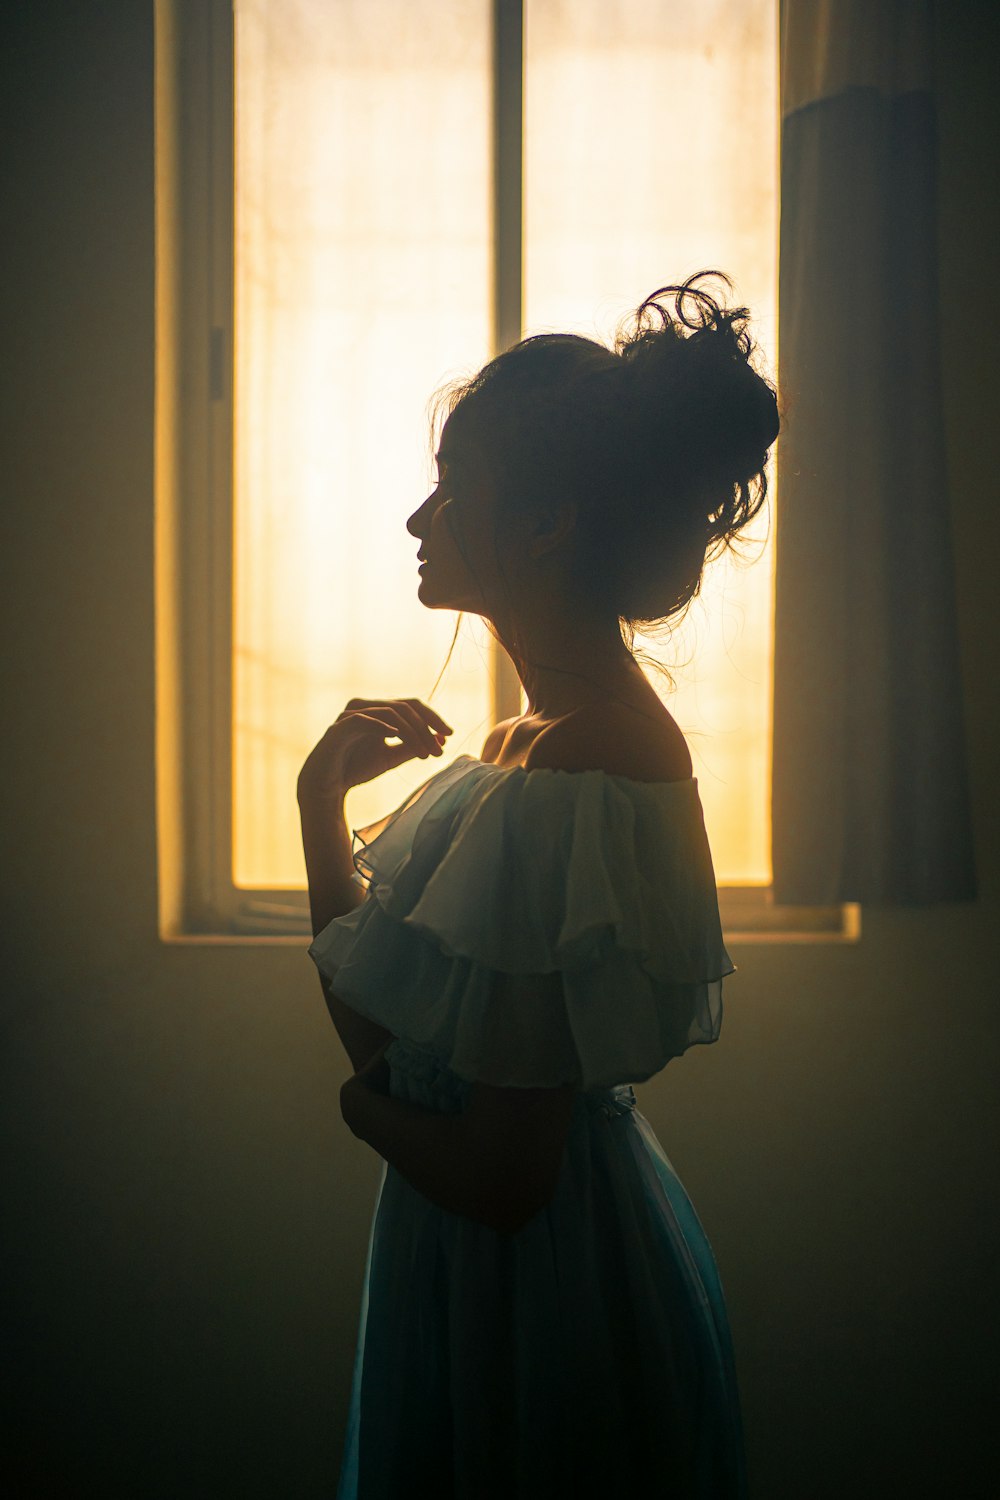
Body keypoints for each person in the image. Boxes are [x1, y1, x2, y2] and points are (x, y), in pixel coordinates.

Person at [297, 271, 780, 1499]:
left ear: (546, 524)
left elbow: (501, 1178)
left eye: (452, 491)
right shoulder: (528, 747)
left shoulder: (584, 762)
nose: (419, 518)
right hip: (486, 1268)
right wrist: (318, 810)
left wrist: (358, 1118)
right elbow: (394, 1042)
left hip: (544, 1295)